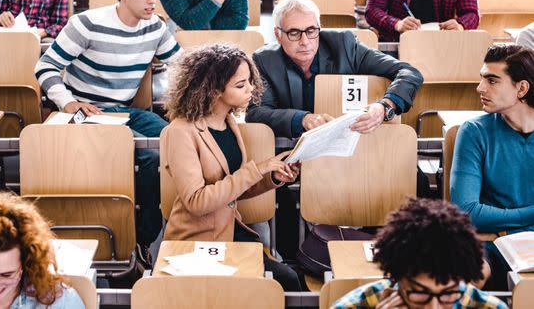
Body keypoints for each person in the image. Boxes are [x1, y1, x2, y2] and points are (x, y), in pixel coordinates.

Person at [35, 0, 180, 261]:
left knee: (176, 138)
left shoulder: (155, 26)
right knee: (151, 156)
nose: (152, 0)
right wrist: (69, 101)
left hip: (123, 112)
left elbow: (182, 68)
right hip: (84, 113)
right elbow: (45, 66)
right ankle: (141, 240)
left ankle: (171, 233)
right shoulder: (86, 23)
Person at [162, 43, 302, 292]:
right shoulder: (180, 132)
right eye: (241, 85)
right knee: (284, 282)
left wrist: (272, 176)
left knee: (288, 281)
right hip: (196, 242)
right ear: (214, 90)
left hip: (230, 232)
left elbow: (232, 189)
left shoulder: (229, 121)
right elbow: (197, 202)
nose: (251, 89)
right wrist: (256, 169)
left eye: (250, 81)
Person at [246, 0, 423, 139]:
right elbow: (256, 113)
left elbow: (409, 72)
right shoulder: (263, 60)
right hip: (293, 154)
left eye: (311, 31)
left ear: (319, 28)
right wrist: (302, 119)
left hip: (350, 147)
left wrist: (385, 106)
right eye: (294, 33)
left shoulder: (344, 46)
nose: (305, 41)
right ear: (278, 34)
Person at [451, 44, 534, 289]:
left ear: (521, 88)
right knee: (469, 275)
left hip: (496, 233)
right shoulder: (474, 132)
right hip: (487, 245)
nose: (480, 88)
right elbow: (465, 212)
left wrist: (501, 231)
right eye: (482, 79)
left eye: (492, 80)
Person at [332, 198, 507, 308]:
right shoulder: (353, 305)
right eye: (420, 294)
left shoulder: (487, 306)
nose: (433, 307)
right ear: (397, 281)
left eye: (448, 294)